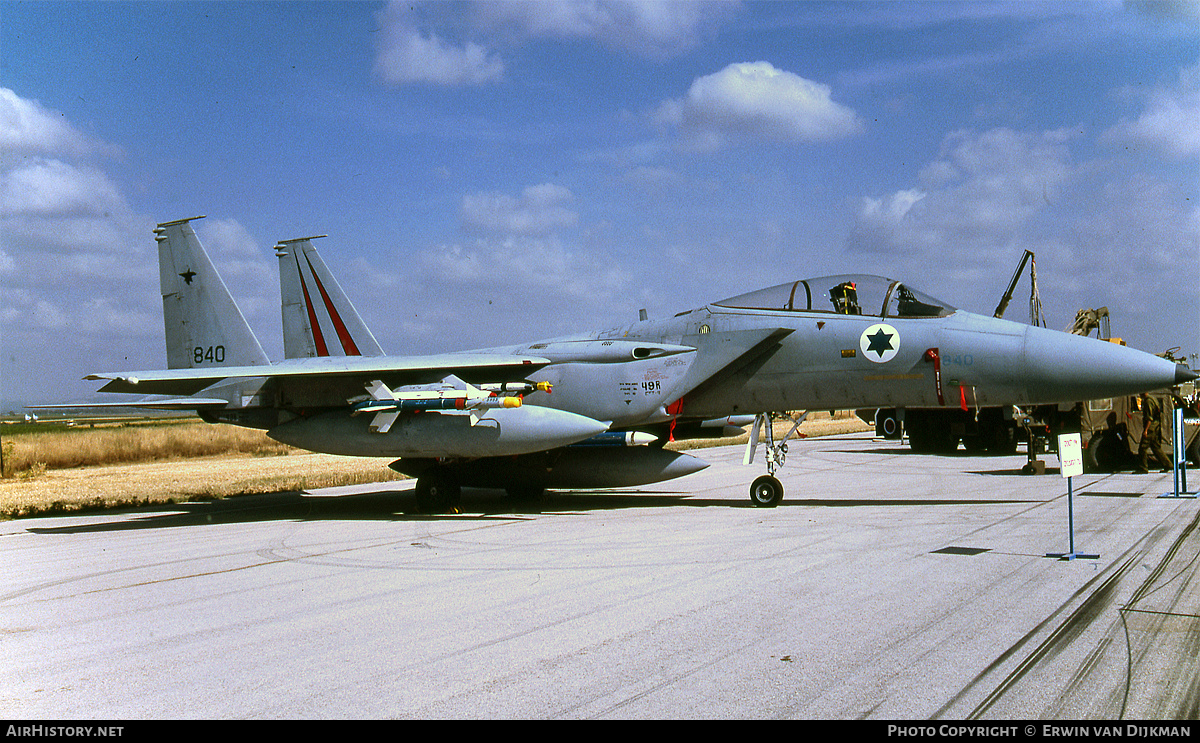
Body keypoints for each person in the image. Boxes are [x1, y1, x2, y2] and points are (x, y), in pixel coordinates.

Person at [1136, 393, 1172, 473]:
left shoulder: (1148, 401)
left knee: (1142, 448)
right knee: (1156, 447)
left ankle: (1143, 468)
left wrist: (1146, 430)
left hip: (1151, 428)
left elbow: (1149, 418)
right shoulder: (1153, 398)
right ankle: (1168, 465)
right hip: (1156, 426)